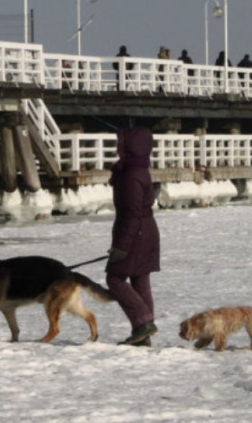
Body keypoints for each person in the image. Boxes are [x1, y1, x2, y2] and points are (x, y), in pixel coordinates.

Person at [106, 126, 160, 346]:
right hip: (145, 231)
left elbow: (132, 214)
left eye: (120, 143)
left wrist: (122, 245)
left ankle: (143, 324)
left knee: (115, 278)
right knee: (140, 278)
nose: (117, 147)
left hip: (136, 232)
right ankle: (143, 334)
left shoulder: (130, 174)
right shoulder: (137, 168)